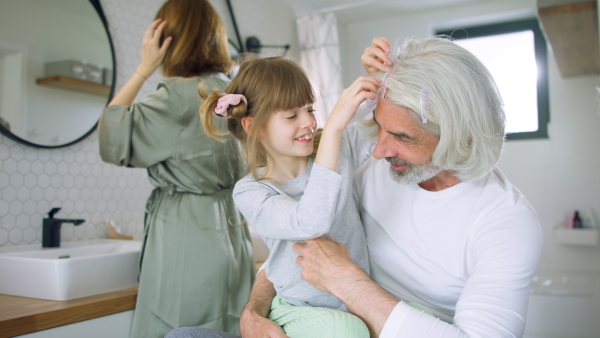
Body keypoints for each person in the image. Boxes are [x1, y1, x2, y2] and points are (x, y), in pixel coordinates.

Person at [168, 36, 543, 338]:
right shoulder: (370, 166)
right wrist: (253, 312)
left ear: (455, 135)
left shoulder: (504, 223)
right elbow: (296, 248)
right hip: (312, 316)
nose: (378, 150)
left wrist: (349, 282)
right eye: (379, 126)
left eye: (400, 135)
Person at [97, 1, 255, 337]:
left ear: (167, 39)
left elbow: (113, 139)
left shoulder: (178, 96)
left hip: (187, 236)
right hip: (232, 229)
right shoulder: (231, 91)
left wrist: (143, 69)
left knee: (179, 324)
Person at [198, 55, 378, 337]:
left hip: (355, 301)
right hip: (300, 309)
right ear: (252, 127)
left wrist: (380, 79)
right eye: (292, 115)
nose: (308, 121)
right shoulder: (251, 191)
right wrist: (331, 128)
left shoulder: (338, 150)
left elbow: (382, 127)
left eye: (309, 109)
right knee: (346, 330)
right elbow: (311, 222)